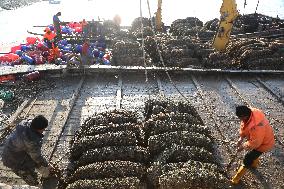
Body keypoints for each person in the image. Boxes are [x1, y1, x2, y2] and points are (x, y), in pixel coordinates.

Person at [2, 115, 55, 186]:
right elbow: (37, 157)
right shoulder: (31, 141)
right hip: (12, 160)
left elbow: (35, 155)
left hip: (18, 149)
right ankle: (36, 186)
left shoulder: (27, 122)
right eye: (43, 129)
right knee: (31, 177)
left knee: (36, 161)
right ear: (39, 129)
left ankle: (46, 174)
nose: (43, 130)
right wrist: (47, 164)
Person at [231, 105, 275, 184]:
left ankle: (236, 178)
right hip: (259, 139)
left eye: (240, 118)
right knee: (254, 154)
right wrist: (241, 137)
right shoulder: (250, 112)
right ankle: (254, 164)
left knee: (248, 158)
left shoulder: (256, 127)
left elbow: (255, 143)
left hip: (265, 143)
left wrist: (243, 146)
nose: (240, 120)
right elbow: (244, 125)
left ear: (245, 116)